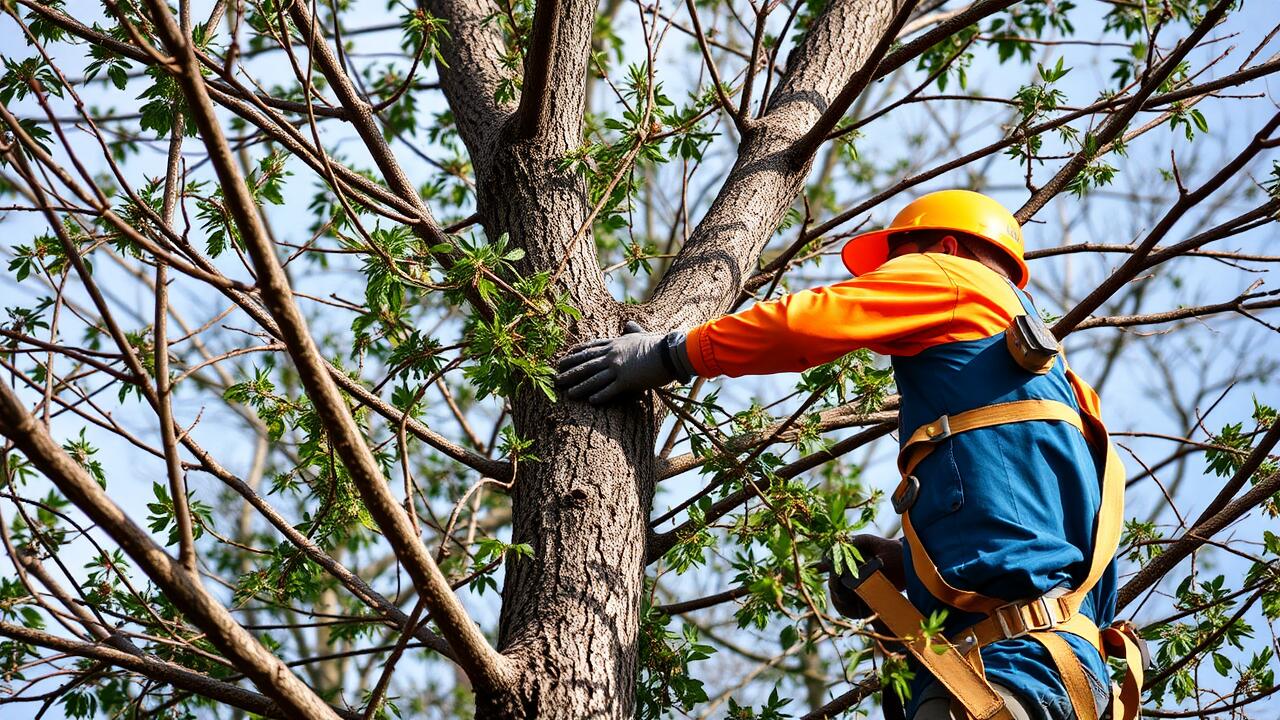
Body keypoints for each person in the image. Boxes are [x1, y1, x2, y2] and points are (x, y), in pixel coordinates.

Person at [555, 190, 1144, 720]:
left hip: (1007, 667)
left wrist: (670, 355)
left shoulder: (955, 277)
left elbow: (811, 321)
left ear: (943, 246)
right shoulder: (1068, 399)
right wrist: (905, 566)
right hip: (1065, 676)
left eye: (898, 260)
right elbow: (1042, 553)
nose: (892, 276)